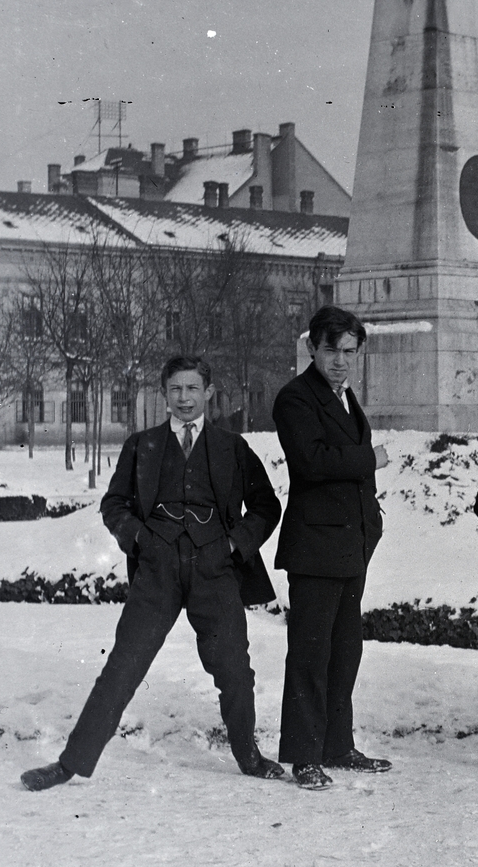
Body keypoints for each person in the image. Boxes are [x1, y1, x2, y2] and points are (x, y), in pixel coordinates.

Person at [20, 355, 284, 791]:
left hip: (214, 571)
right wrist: (141, 541)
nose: (184, 398)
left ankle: (249, 756)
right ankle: (69, 764)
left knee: (235, 668)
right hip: (157, 572)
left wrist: (234, 545)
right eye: (176, 389)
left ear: (209, 394)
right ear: (164, 394)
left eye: (193, 389)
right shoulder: (140, 446)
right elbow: (114, 505)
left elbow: (266, 507)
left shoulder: (232, 448)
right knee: (122, 667)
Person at [274, 305, 391, 791]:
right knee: (309, 653)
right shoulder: (296, 398)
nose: (340, 360)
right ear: (311, 349)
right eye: (330, 350)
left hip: (350, 544)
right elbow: (312, 461)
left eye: (349, 351)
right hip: (316, 548)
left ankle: (337, 746)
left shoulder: (343, 398)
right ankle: (304, 756)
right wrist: (371, 458)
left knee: (345, 650)